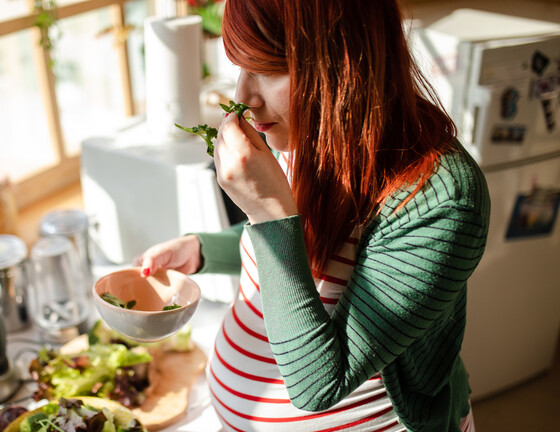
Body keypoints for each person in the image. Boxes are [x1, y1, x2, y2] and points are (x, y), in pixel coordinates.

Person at [134, 0, 490, 431]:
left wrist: (266, 212)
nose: (242, 98)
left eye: (266, 69)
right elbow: (305, 247)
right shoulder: (302, 133)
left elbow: (318, 385)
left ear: (345, 61)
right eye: (240, 68)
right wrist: (203, 249)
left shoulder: (444, 200)